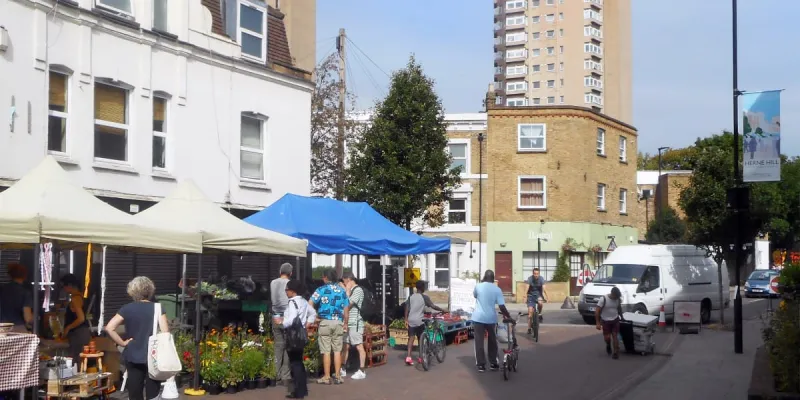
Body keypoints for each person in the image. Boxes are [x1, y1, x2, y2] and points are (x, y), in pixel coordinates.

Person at [104, 276, 169, 400]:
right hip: (153, 355)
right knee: (153, 394)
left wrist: (122, 343)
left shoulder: (127, 308)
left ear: (132, 291)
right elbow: (165, 333)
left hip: (133, 354)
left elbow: (109, 328)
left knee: (134, 393)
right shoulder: (158, 308)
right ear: (150, 290)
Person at [309, 269, 349, 385]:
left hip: (325, 321)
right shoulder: (342, 291)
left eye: (323, 277)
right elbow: (346, 310)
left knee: (326, 350)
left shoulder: (321, 290)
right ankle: (337, 376)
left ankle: (326, 377)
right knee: (337, 350)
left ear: (326, 278)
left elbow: (309, 303)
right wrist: (345, 323)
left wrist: (315, 316)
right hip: (338, 322)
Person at [282, 280, 316, 399]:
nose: (286, 292)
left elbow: (291, 319)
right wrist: (307, 324)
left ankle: (298, 392)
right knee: (299, 362)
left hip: (292, 335)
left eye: (287, 290)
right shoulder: (303, 301)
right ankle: (302, 389)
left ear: (293, 291)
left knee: (294, 363)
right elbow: (313, 313)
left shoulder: (292, 303)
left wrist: (281, 323)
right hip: (301, 334)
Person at [471, 270, 511, 372]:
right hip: (491, 319)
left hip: (478, 318)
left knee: (479, 341)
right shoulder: (497, 289)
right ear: (493, 279)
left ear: (484, 277)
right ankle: (493, 363)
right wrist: (508, 316)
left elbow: (475, 295)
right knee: (492, 341)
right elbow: (501, 306)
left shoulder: (478, 286)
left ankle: (481, 365)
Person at [404, 280, 446, 366]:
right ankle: (421, 357)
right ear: (422, 288)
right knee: (421, 338)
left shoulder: (411, 296)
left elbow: (407, 308)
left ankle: (408, 357)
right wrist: (443, 310)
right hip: (420, 321)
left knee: (411, 338)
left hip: (411, 320)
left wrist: (406, 319)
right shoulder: (424, 297)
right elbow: (433, 306)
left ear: (416, 287)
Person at [270, 263, 293, 387]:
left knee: (278, 345)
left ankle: (275, 374)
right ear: (291, 273)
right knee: (288, 345)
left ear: (280, 271)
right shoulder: (290, 284)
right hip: (286, 315)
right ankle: (286, 375)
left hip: (275, 315)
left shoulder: (273, 283)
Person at [59, 274, 91, 362]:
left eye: (63, 286)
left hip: (78, 334)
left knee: (75, 360)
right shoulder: (81, 297)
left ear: (69, 285)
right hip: (82, 333)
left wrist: (68, 328)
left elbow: (81, 318)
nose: (63, 289)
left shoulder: (75, 299)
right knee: (79, 360)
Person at [340, 271, 366, 380]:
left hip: (355, 322)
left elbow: (347, 305)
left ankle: (362, 370)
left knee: (359, 346)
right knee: (345, 346)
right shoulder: (351, 291)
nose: (344, 283)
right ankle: (343, 368)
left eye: (344, 281)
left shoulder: (358, 290)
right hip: (347, 322)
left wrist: (347, 290)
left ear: (348, 280)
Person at [0, 263, 34, 332]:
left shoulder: (2, 289)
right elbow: (28, 318)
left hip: (2, 328)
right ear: (25, 275)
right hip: (17, 328)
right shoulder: (25, 293)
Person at [595, 286, 624, 359]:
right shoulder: (603, 299)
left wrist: (622, 317)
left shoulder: (617, 299)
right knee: (607, 337)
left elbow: (619, 308)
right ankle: (608, 344)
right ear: (612, 293)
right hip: (605, 321)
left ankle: (615, 352)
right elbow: (597, 311)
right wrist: (598, 323)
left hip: (615, 320)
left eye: (617, 297)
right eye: (615, 296)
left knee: (615, 336)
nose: (615, 298)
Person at [526, 267, 549, 331]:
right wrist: (524, 296)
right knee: (530, 313)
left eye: (537, 274)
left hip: (538, 295)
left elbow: (544, 288)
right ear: (533, 273)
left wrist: (547, 297)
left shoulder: (541, 279)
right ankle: (529, 328)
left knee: (540, 303)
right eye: (535, 273)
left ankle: (539, 313)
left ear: (539, 274)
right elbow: (527, 287)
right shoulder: (530, 279)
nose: (536, 275)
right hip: (530, 296)